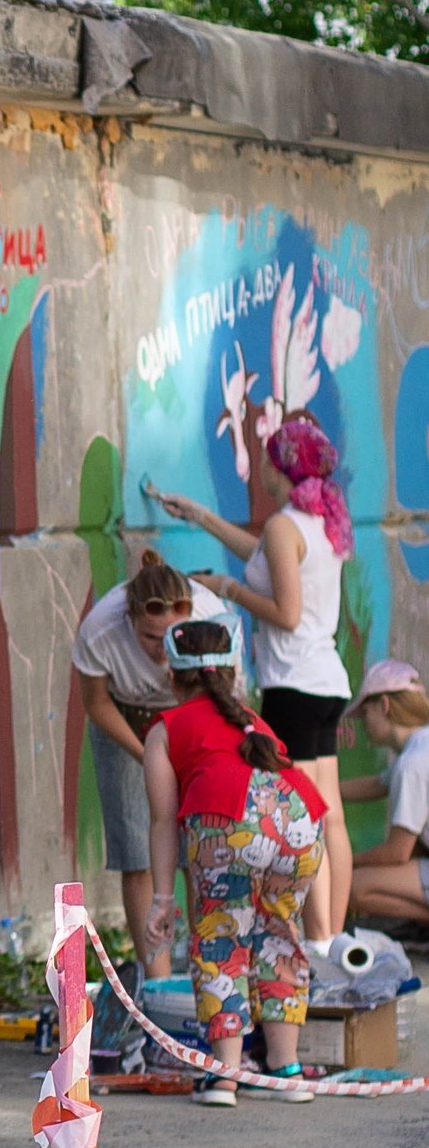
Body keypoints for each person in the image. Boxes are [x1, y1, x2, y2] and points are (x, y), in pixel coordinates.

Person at [155, 412, 353, 960]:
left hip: (293, 682)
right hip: (326, 680)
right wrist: (201, 517)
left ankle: (317, 944)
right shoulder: (319, 521)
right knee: (328, 810)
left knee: (308, 813)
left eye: (269, 456)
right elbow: (267, 561)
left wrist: (225, 590)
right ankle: (331, 942)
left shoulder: (284, 525)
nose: (262, 465)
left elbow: (284, 611)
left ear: (280, 467)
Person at [143, 619, 324, 1107]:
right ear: (232, 668)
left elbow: (163, 820)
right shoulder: (252, 720)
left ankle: (225, 1075)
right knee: (279, 934)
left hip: (229, 820)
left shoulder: (166, 729)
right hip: (302, 820)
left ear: (170, 673)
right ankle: (284, 1069)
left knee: (223, 937)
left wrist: (162, 899)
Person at [71, 552, 238, 977]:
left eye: (172, 639)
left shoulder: (212, 617)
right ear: (128, 618)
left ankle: (208, 968)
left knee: (199, 846)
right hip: (126, 721)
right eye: (150, 638)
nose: (162, 651)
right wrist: (148, 756)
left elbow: (228, 698)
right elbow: (96, 703)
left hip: (192, 714)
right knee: (135, 850)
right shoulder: (99, 629)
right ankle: (158, 981)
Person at [340, 659, 429, 923]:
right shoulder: (420, 746)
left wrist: (346, 862)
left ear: (384, 705)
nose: (364, 724)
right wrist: (319, 788)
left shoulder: (412, 763)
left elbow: (397, 852)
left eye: (366, 713)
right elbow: (378, 784)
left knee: (355, 886)